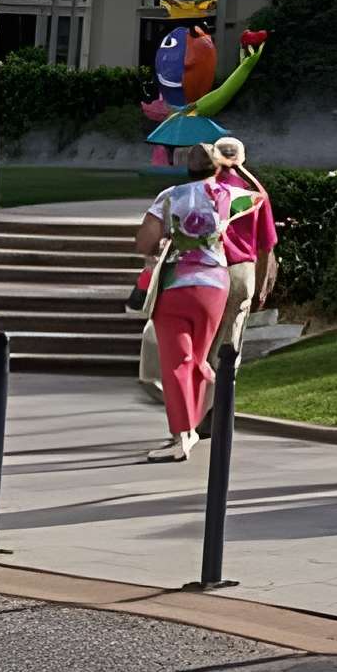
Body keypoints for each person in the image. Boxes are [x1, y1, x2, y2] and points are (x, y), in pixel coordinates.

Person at [137, 134, 274, 407]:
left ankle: (191, 409)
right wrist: (261, 286)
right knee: (227, 349)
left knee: (194, 349)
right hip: (241, 273)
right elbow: (265, 247)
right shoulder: (252, 193)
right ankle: (216, 411)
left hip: (202, 273)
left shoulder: (196, 192)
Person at [134, 142, 235, 461]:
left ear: (186, 167)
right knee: (199, 358)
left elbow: (144, 242)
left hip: (178, 283)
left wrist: (164, 240)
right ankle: (206, 394)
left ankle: (182, 435)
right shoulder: (230, 196)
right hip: (216, 284)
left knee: (176, 362)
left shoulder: (170, 196)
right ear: (216, 167)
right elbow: (257, 199)